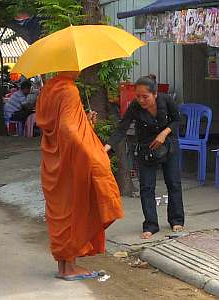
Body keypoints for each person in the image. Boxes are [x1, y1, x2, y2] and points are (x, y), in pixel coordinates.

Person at [36, 72, 124, 280]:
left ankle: (64, 266)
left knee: (62, 212)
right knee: (74, 211)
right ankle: (69, 268)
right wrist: (92, 152)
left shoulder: (47, 90)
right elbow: (68, 129)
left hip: (53, 161)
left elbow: (57, 128)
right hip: (70, 163)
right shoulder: (68, 89)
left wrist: (85, 123)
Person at [105, 76, 184, 240]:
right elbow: (122, 127)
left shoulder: (166, 100)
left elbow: (177, 120)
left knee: (173, 183)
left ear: (155, 94)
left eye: (145, 96)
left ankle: (176, 220)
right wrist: (107, 147)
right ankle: (151, 225)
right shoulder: (135, 107)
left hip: (168, 146)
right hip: (146, 148)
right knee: (147, 187)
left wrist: (164, 133)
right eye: (138, 96)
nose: (141, 100)